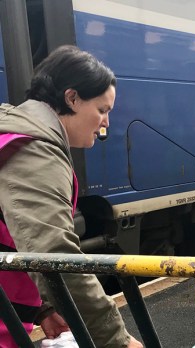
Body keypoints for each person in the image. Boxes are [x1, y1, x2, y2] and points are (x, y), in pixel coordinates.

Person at [0, 46, 142, 347]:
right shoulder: (34, 151)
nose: (106, 123)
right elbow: (52, 254)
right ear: (72, 98)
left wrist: (43, 309)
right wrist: (116, 341)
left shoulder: (13, 132)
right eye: (102, 110)